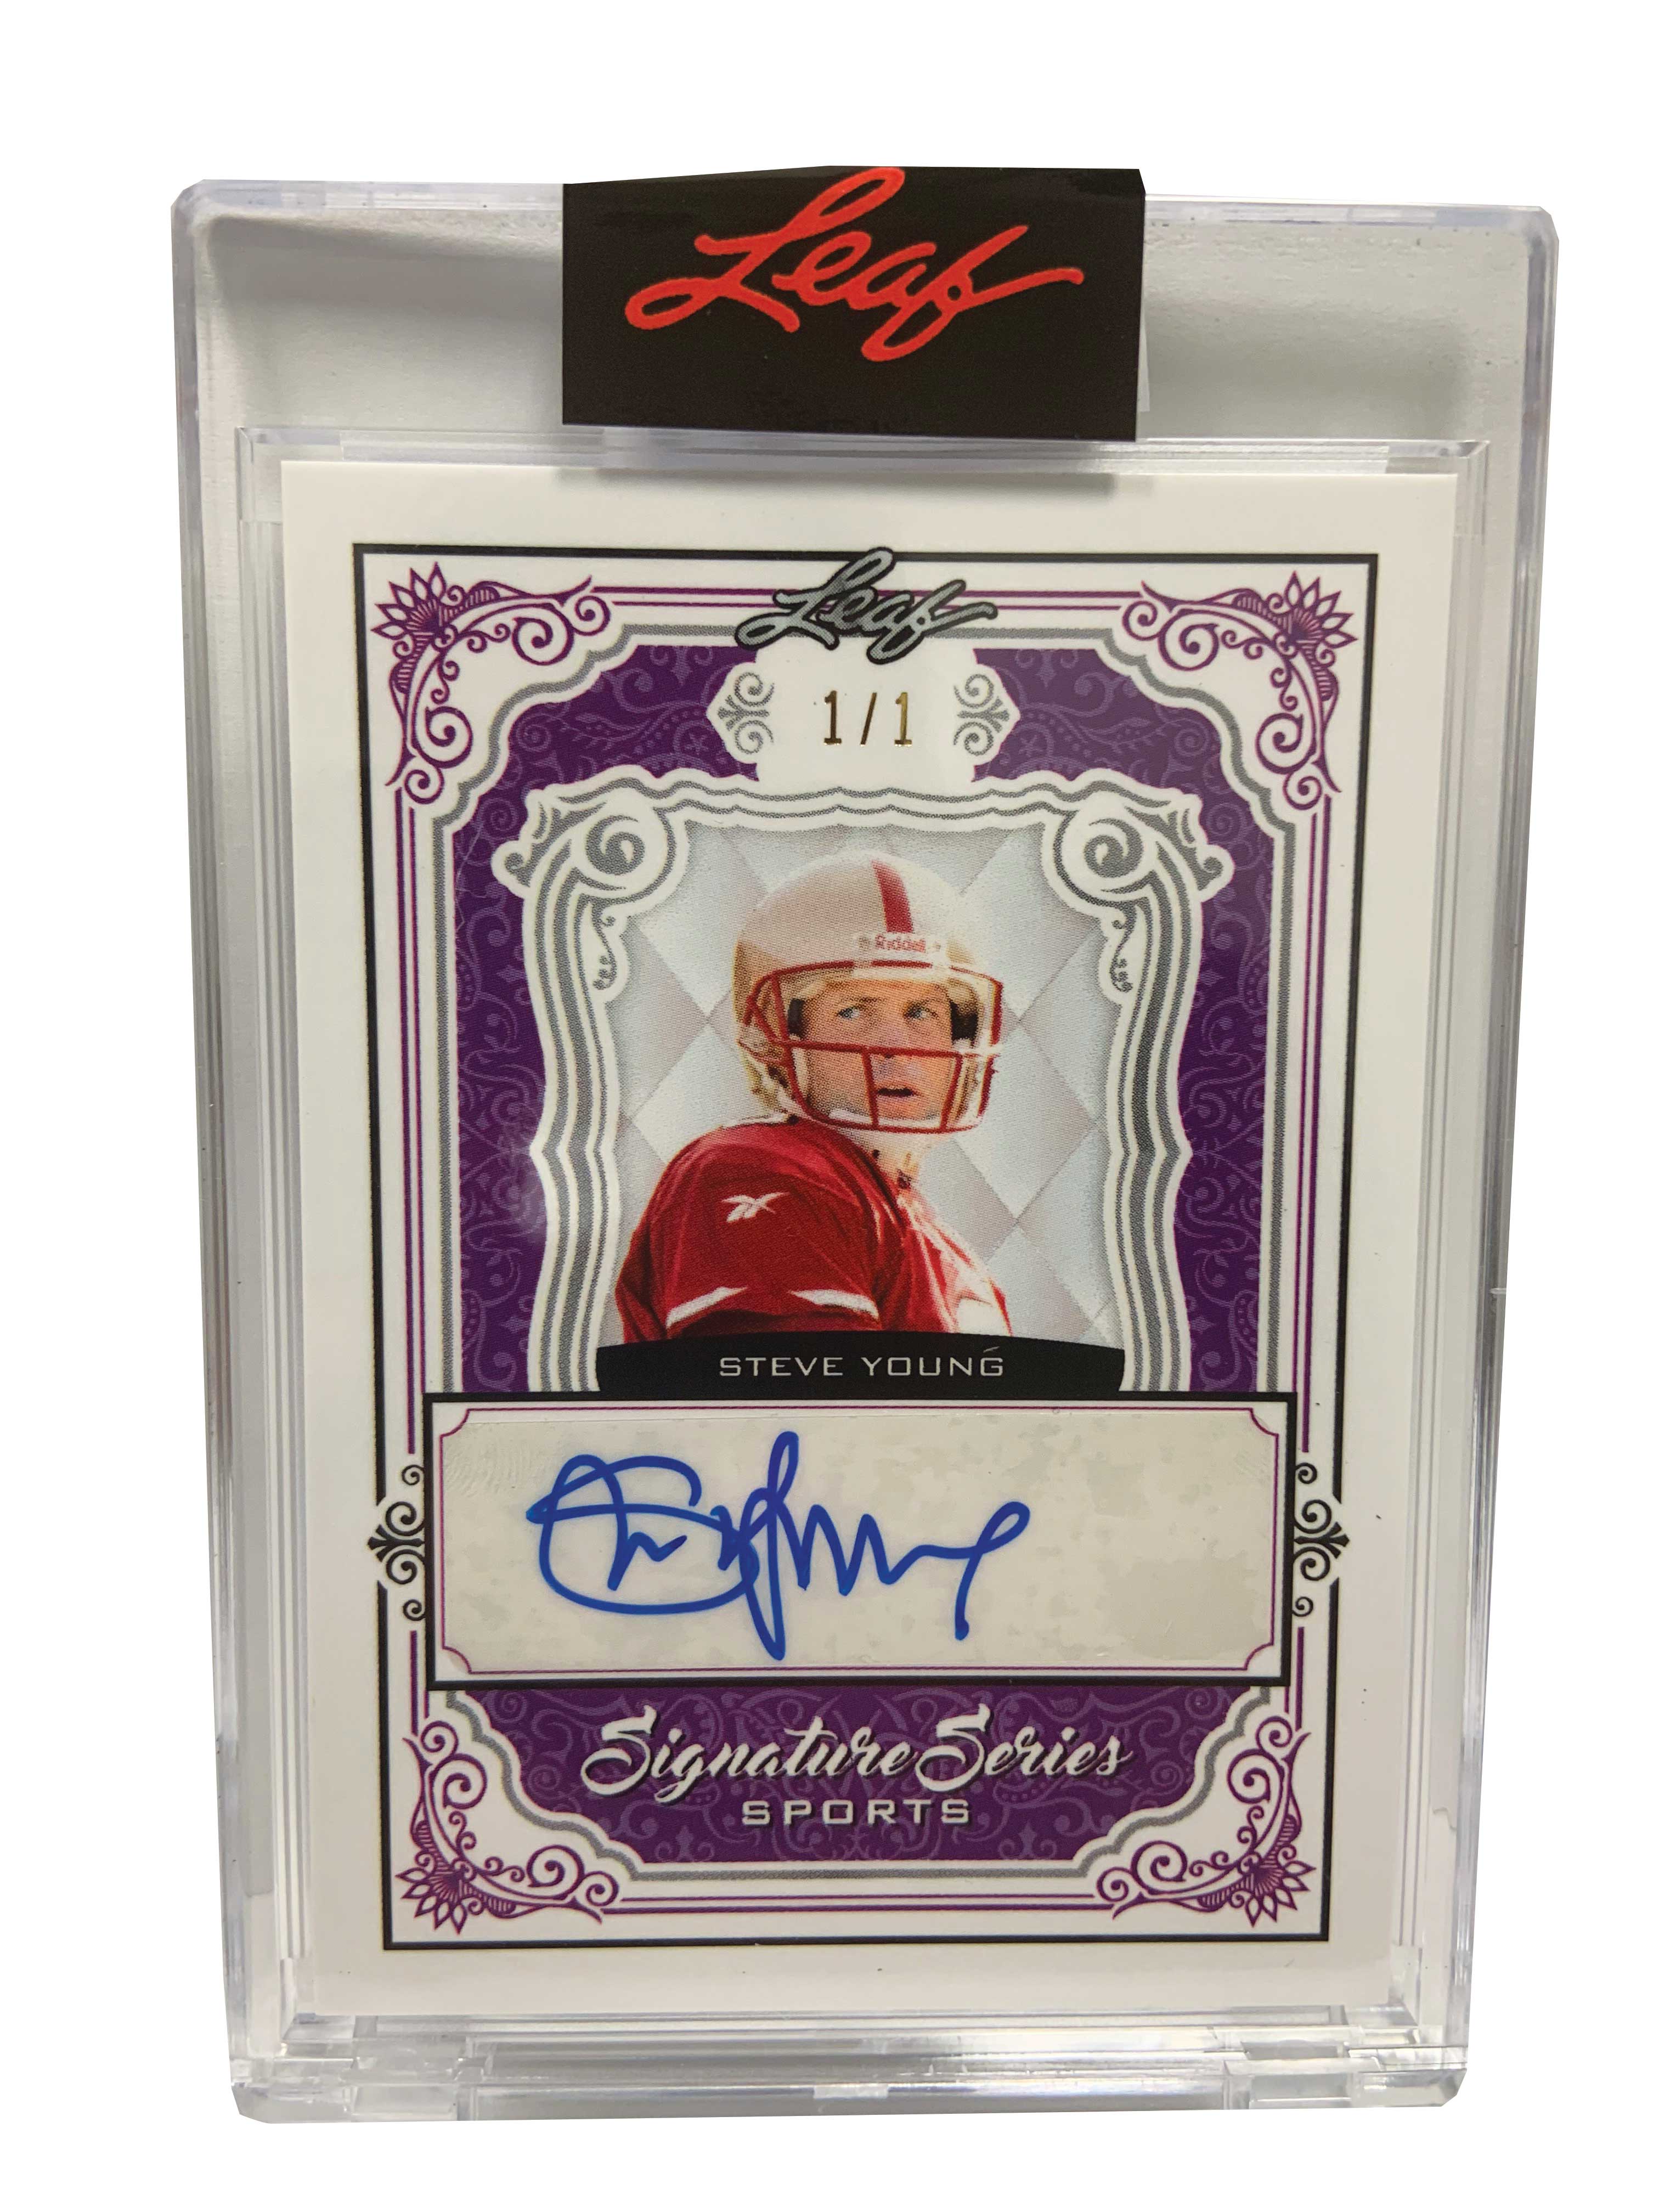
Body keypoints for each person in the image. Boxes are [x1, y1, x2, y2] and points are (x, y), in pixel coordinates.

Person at [616, 851, 1011, 1339]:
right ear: (776, 1034)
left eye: (921, 1012)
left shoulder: (937, 1238)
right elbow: (808, 1388)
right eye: (853, 1011)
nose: (898, 1046)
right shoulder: (760, 1167)